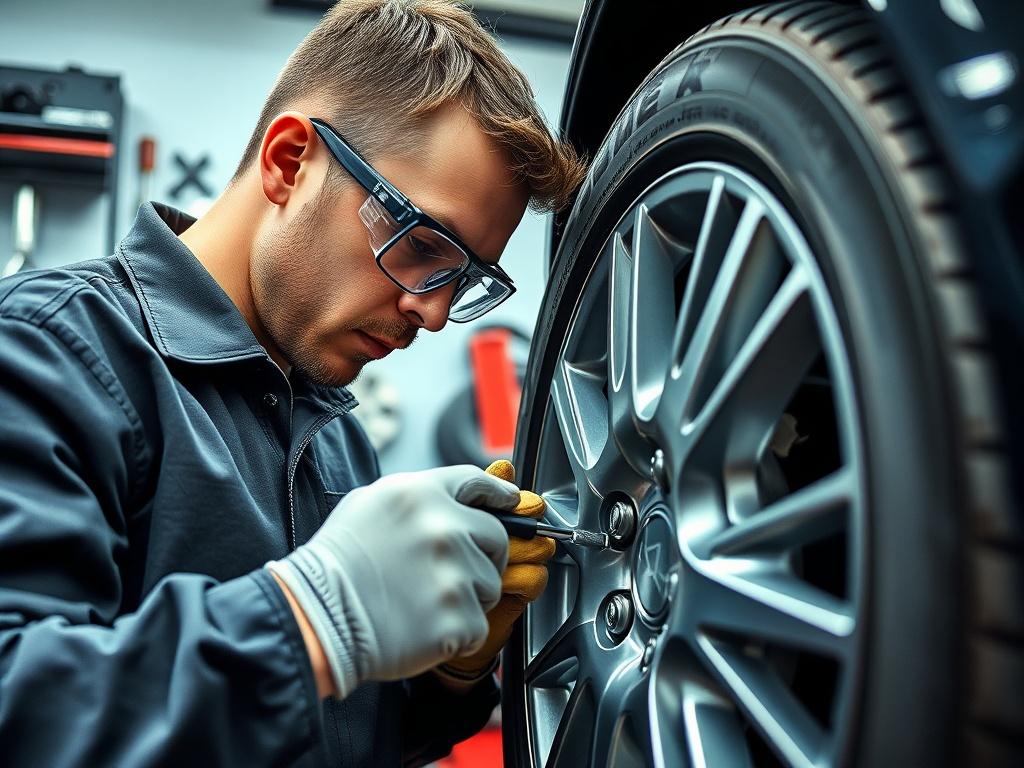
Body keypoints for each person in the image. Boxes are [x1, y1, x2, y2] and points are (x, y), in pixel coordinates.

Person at [0, 1, 586, 765]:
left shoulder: (335, 434)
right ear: (289, 162)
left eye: (465, 278)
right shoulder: (51, 351)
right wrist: (312, 618)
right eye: (423, 246)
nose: (434, 312)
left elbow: (336, 735)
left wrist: (447, 673)